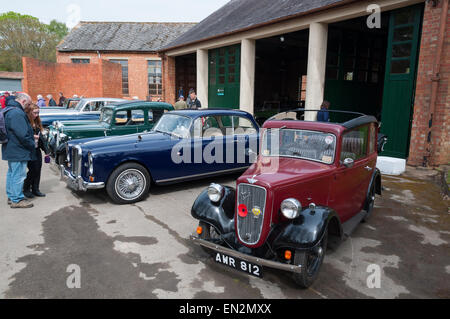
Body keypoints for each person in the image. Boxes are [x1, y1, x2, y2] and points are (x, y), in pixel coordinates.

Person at [2, 92, 36, 208]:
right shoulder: (17, 113)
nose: (29, 106)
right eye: (29, 103)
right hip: (18, 149)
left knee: (12, 173)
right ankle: (17, 199)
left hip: (12, 148)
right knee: (18, 175)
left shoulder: (9, 110)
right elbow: (22, 134)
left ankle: (12, 196)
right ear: (23, 101)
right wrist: (32, 143)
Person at [23, 104, 49, 198]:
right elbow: (22, 135)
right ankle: (26, 188)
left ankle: (35, 189)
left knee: (38, 170)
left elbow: (41, 139)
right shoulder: (26, 122)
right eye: (35, 113)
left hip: (37, 149)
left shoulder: (37, 122)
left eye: (38, 112)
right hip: (29, 150)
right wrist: (33, 136)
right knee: (32, 170)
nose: (37, 115)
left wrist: (46, 151)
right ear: (29, 112)